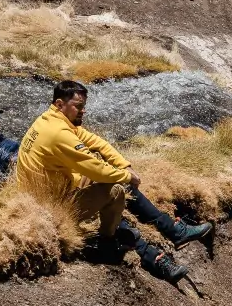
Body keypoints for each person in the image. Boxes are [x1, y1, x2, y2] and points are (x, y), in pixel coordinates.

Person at [16, 78, 212, 285]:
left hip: (50, 194)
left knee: (114, 183)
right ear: (59, 104)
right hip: (49, 210)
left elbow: (95, 141)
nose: (83, 111)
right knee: (116, 191)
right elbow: (97, 170)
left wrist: (124, 165)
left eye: (84, 107)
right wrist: (128, 176)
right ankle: (112, 243)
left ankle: (169, 233)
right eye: (78, 107)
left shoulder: (51, 119)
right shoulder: (58, 133)